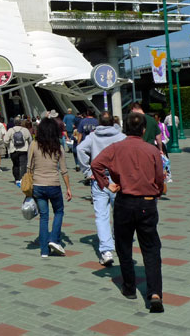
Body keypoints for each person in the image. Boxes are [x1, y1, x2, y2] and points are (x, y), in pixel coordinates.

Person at [91, 111, 165, 313]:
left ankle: (130, 287)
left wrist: (106, 183)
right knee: (151, 248)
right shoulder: (151, 150)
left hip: (124, 200)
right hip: (147, 202)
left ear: (124, 129)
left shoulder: (116, 148)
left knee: (123, 246)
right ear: (143, 130)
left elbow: (95, 164)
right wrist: (157, 189)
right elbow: (159, 177)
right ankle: (155, 293)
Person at [77, 111, 127, 267]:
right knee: (119, 212)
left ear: (99, 122)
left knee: (101, 215)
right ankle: (118, 242)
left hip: (99, 178)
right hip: (117, 178)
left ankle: (106, 251)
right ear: (113, 121)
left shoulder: (93, 136)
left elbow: (80, 149)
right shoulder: (121, 137)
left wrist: (87, 171)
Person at [27, 118, 72, 258]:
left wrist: (28, 186)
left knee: (44, 217)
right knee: (59, 211)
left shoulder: (34, 144)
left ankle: (44, 251)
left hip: (38, 185)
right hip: (54, 185)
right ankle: (54, 239)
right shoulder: (57, 146)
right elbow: (64, 170)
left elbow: (29, 166)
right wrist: (68, 188)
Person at [4, 117, 32, 187]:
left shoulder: (10, 130)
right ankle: (22, 178)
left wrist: (8, 146)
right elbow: (30, 140)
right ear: (20, 123)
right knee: (23, 165)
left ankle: (17, 179)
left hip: (13, 150)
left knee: (15, 165)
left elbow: (5, 140)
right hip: (23, 150)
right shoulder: (25, 130)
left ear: (14, 123)